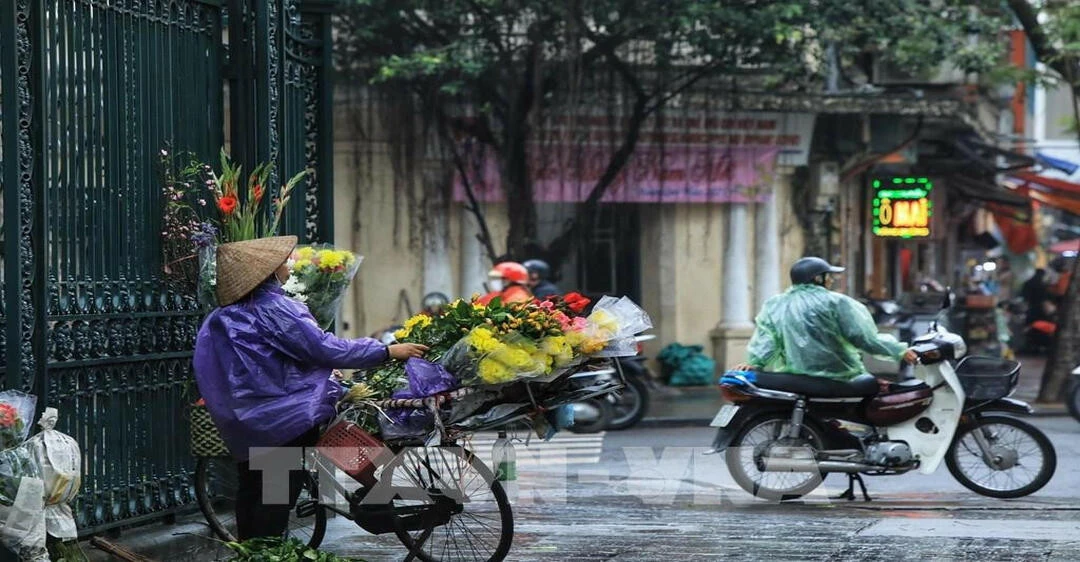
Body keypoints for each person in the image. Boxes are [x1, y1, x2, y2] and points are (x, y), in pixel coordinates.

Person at [192, 236, 427, 540]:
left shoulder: (219, 317)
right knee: (274, 497)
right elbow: (323, 348)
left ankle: (249, 552)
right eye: (283, 261)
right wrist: (386, 351)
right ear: (268, 271)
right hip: (282, 419)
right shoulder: (275, 308)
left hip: (243, 420)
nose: (288, 265)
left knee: (252, 490)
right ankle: (267, 554)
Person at [735, 257, 917, 381]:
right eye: (828, 276)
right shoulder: (836, 302)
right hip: (839, 376)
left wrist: (754, 363)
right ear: (817, 278)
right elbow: (864, 338)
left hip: (794, 377)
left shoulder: (776, 304)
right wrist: (899, 351)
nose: (830, 281)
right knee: (877, 389)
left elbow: (767, 339)